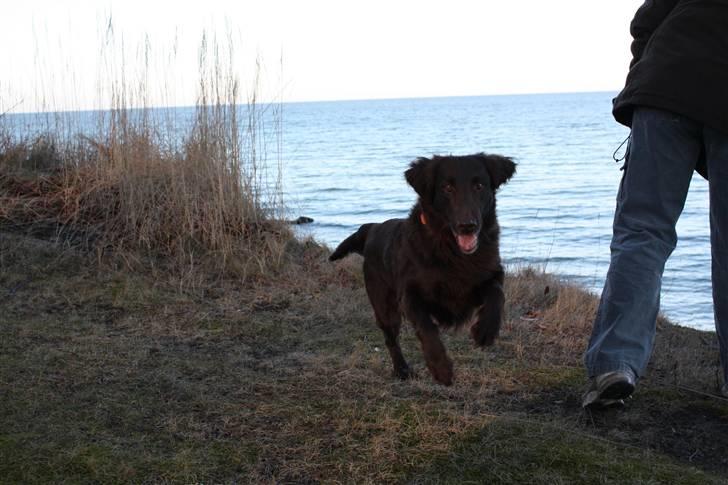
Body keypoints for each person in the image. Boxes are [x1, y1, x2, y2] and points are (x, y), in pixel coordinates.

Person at [583, 0, 728, 408]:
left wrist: (642, 79)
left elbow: (645, 21)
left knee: (642, 233)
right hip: (678, 91)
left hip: (664, 89)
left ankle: (615, 364)